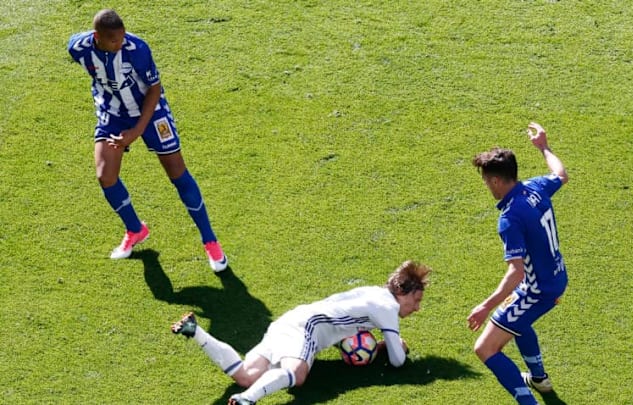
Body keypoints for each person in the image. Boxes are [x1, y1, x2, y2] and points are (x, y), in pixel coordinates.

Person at [67, 9, 227, 271]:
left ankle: (210, 241)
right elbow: (79, 49)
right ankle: (135, 229)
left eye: (122, 37)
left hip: (151, 114)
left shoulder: (138, 49)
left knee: (177, 171)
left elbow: (154, 88)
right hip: (113, 114)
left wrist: (138, 130)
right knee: (105, 175)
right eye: (113, 40)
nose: (120, 43)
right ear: (97, 37)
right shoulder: (79, 48)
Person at [171, 260, 431, 404]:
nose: (416, 308)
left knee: (246, 375)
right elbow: (397, 361)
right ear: (402, 292)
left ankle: (197, 333)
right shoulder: (387, 307)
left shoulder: (372, 293)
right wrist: (396, 345)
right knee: (298, 374)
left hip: (289, 320)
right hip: (308, 326)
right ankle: (247, 401)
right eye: (416, 300)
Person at [467, 122, 569, 405]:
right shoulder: (535, 188)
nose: (487, 186)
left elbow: (516, 271)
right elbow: (561, 175)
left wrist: (485, 306)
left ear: (497, 181)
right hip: (557, 277)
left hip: (537, 290)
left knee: (485, 348)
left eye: (487, 181)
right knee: (517, 321)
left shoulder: (510, 217)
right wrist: (544, 147)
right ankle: (539, 379)